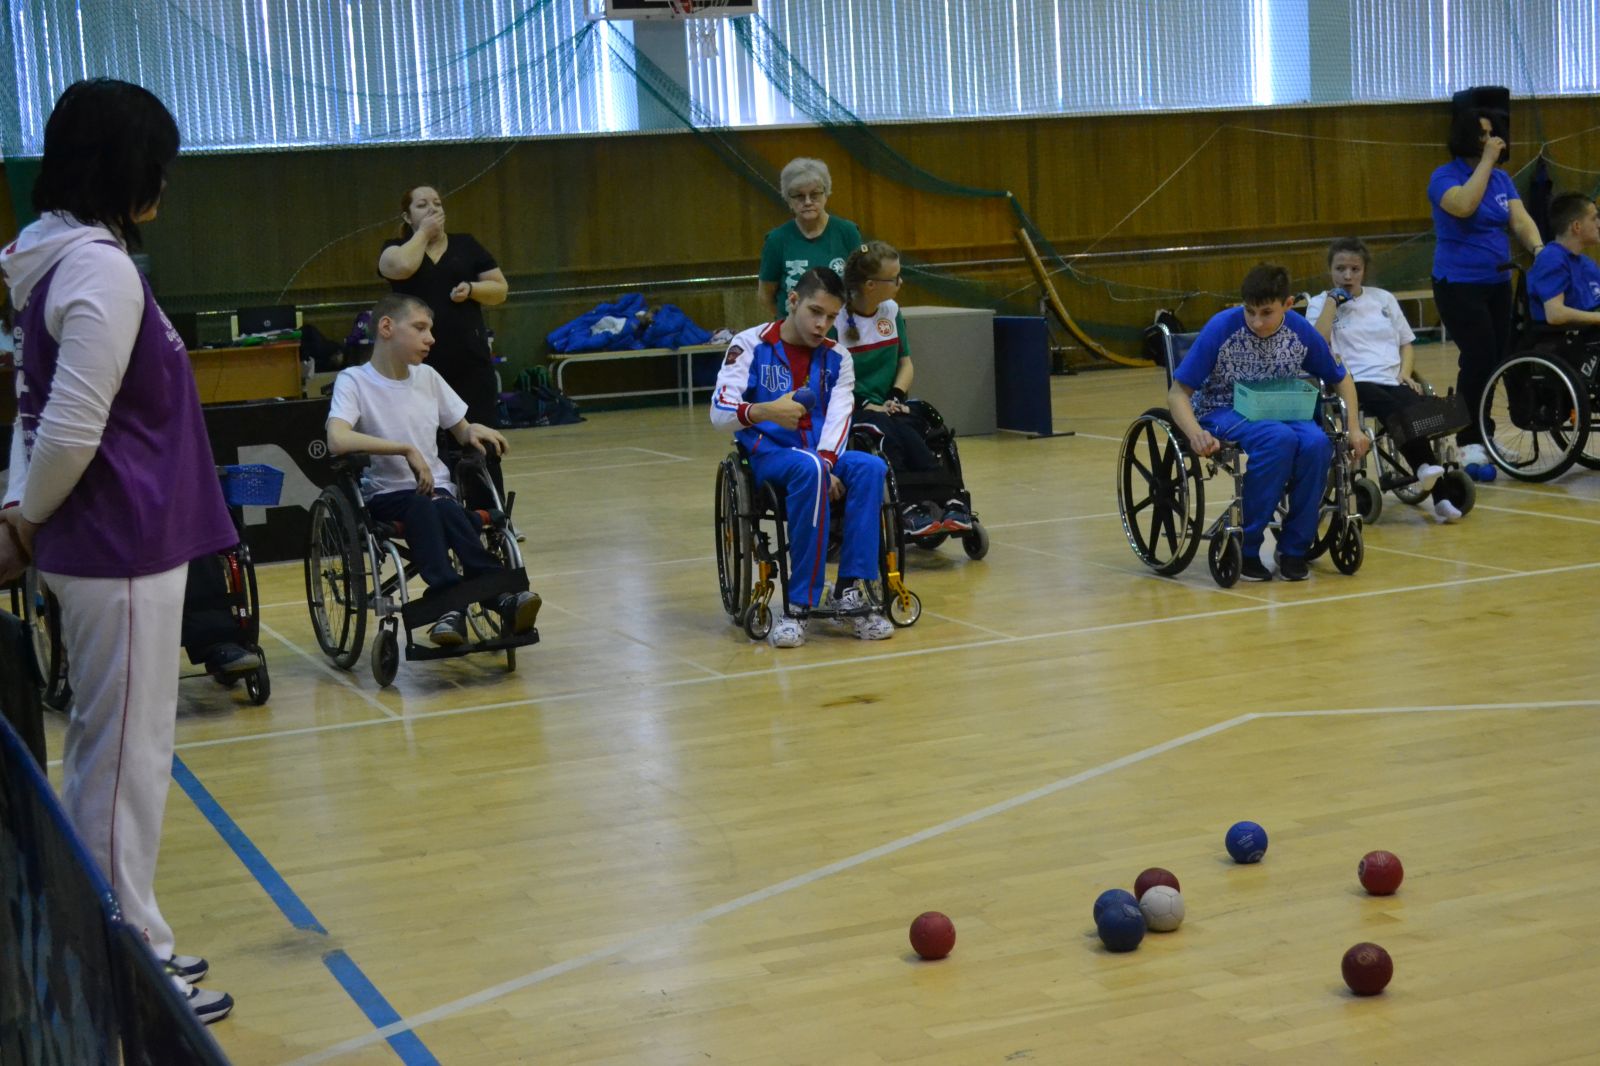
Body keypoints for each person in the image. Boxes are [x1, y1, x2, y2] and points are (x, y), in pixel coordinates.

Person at [0, 79, 235, 1023]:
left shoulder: (56, 258)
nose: (164, 187)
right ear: (120, 169)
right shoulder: (95, 269)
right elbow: (65, 429)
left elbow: (36, 414)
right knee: (126, 760)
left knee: (109, 751)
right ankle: (125, 959)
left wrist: (21, 511)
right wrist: (25, 519)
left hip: (107, 546)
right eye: (157, 168)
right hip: (118, 546)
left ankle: (107, 938)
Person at [326, 293, 540, 647]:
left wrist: (474, 429)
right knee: (427, 507)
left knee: (444, 506)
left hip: (438, 493)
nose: (431, 338)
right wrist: (405, 449)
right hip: (387, 495)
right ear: (387, 327)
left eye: (431, 329)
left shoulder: (427, 376)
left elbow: (461, 429)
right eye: (421, 328)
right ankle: (480, 596)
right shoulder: (355, 381)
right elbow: (337, 438)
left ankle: (470, 602)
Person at [711, 268, 893, 646]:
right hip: (771, 458)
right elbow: (719, 413)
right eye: (815, 312)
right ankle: (799, 605)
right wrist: (765, 411)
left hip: (821, 457)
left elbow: (841, 419)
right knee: (809, 467)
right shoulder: (750, 345)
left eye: (831, 317)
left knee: (872, 467)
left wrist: (827, 465)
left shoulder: (838, 358)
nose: (822, 324)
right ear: (793, 301)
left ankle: (849, 589)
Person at [1168, 264, 1370, 581]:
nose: (1257, 322)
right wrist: (1194, 433)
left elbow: (1342, 380)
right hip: (1224, 407)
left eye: (1266, 312)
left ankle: (1294, 550)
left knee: (1318, 443)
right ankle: (1247, 546)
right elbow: (1177, 393)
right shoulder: (1222, 327)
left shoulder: (1300, 330)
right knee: (1278, 439)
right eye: (1250, 312)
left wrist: (1355, 428)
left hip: (1281, 407)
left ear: (1287, 305)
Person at [1307, 238, 1464, 523]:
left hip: (1391, 377)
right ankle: (1433, 483)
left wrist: (1405, 373)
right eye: (1340, 268)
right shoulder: (1319, 303)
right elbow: (1317, 344)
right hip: (1350, 381)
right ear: (1330, 270)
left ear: (1364, 269)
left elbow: (1406, 344)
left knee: (1413, 403)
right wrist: (1332, 302)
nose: (1347, 275)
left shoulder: (1383, 299)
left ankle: (1433, 483)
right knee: (1397, 406)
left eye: (1354, 269)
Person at [1428, 107, 1545, 472]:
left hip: (1497, 282)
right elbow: (1464, 206)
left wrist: (1539, 250)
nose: (1490, 139)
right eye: (1482, 133)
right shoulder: (1444, 177)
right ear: (1465, 136)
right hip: (1458, 284)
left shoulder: (1501, 178)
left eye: (1492, 133)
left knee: (1496, 359)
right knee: (1477, 357)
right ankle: (1465, 441)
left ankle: (1484, 435)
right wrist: (1487, 161)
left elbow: (1520, 219)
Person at [378, 185, 510, 497]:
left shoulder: (467, 245)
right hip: (418, 366)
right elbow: (401, 268)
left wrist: (472, 288)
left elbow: (500, 289)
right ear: (407, 216)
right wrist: (423, 234)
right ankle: (440, 506)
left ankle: (492, 514)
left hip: (469, 361)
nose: (433, 209)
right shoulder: (395, 247)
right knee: (430, 441)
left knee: (480, 439)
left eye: (437, 203)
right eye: (422, 205)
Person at [839, 240, 968, 536]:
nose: (900, 282)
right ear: (871, 285)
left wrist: (895, 396)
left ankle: (947, 497)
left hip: (888, 403)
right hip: (854, 408)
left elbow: (905, 363)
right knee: (884, 429)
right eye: (894, 278)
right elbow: (831, 379)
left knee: (917, 423)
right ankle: (910, 505)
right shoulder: (837, 322)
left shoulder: (891, 310)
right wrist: (863, 404)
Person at [757, 158, 864, 318]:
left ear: (826, 194)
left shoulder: (847, 232)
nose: (807, 202)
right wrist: (790, 321)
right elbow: (766, 295)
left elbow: (860, 287)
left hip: (840, 332)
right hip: (793, 336)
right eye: (799, 196)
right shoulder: (777, 240)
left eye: (814, 194)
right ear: (788, 200)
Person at [1527, 191, 1600, 330]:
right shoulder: (1551, 259)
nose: (1599, 224)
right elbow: (1555, 314)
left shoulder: (1585, 263)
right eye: (1594, 218)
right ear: (1577, 226)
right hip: (1564, 340)